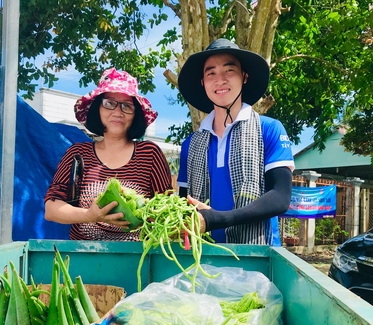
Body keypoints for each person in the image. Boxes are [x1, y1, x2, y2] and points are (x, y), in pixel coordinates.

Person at [176, 38, 295, 246]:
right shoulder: (190, 144)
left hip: (257, 258)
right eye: (210, 73)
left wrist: (217, 219)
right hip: (200, 258)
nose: (220, 79)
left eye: (229, 70)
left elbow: (280, 197)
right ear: (203, 83)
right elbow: (183, 202)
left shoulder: (269, 129)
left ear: (244, 77)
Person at [44, 67, 172, 241]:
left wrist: (139, 210)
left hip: (138, 259)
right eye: (110, 103)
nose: (118, 112)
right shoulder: (78, 154)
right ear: (98, 108)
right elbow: (51, 210)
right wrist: (89, 215)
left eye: (127, 106)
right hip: (83, 257)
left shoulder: (149, 154)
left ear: (135, 115)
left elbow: (166, 209)